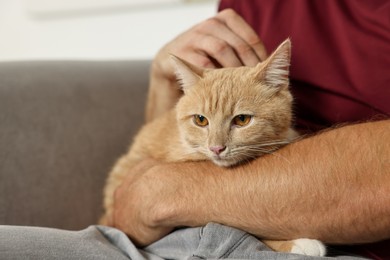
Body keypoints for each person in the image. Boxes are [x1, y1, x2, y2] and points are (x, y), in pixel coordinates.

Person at [1, 1, 388, 259]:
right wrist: (163, 82)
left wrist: (165, 191)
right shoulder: (248, 11)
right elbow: (151, 155)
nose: (217, 146)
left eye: (241, 121)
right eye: (203, 123)